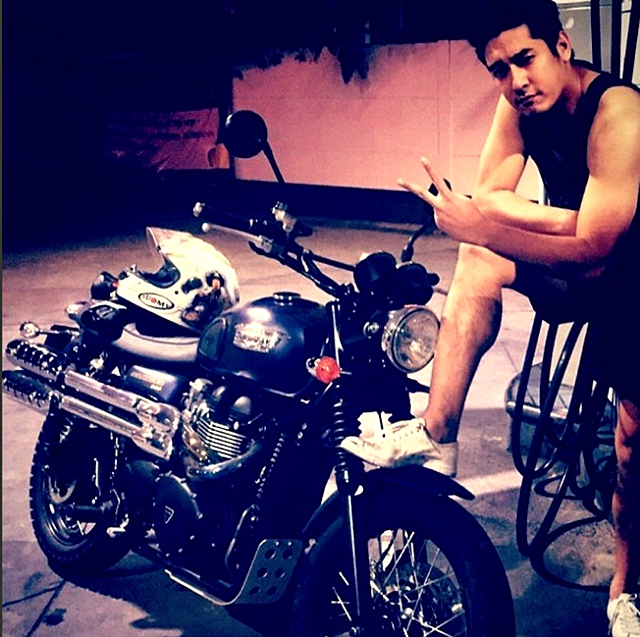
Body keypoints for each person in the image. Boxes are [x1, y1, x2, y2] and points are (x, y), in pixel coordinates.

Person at [339, 0, 640, 634]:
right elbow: (494, 198)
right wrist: (562, 219)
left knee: (630, 448)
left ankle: (625, 586)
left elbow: (597, 256)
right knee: (477, 254)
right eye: (499, 70)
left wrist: (496, 222)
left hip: (630, 282)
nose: (516, 81)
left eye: (526, 59)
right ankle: (437, 433)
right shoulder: (520, 103)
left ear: (562, 45)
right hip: (579, 261)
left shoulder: (617, 113)